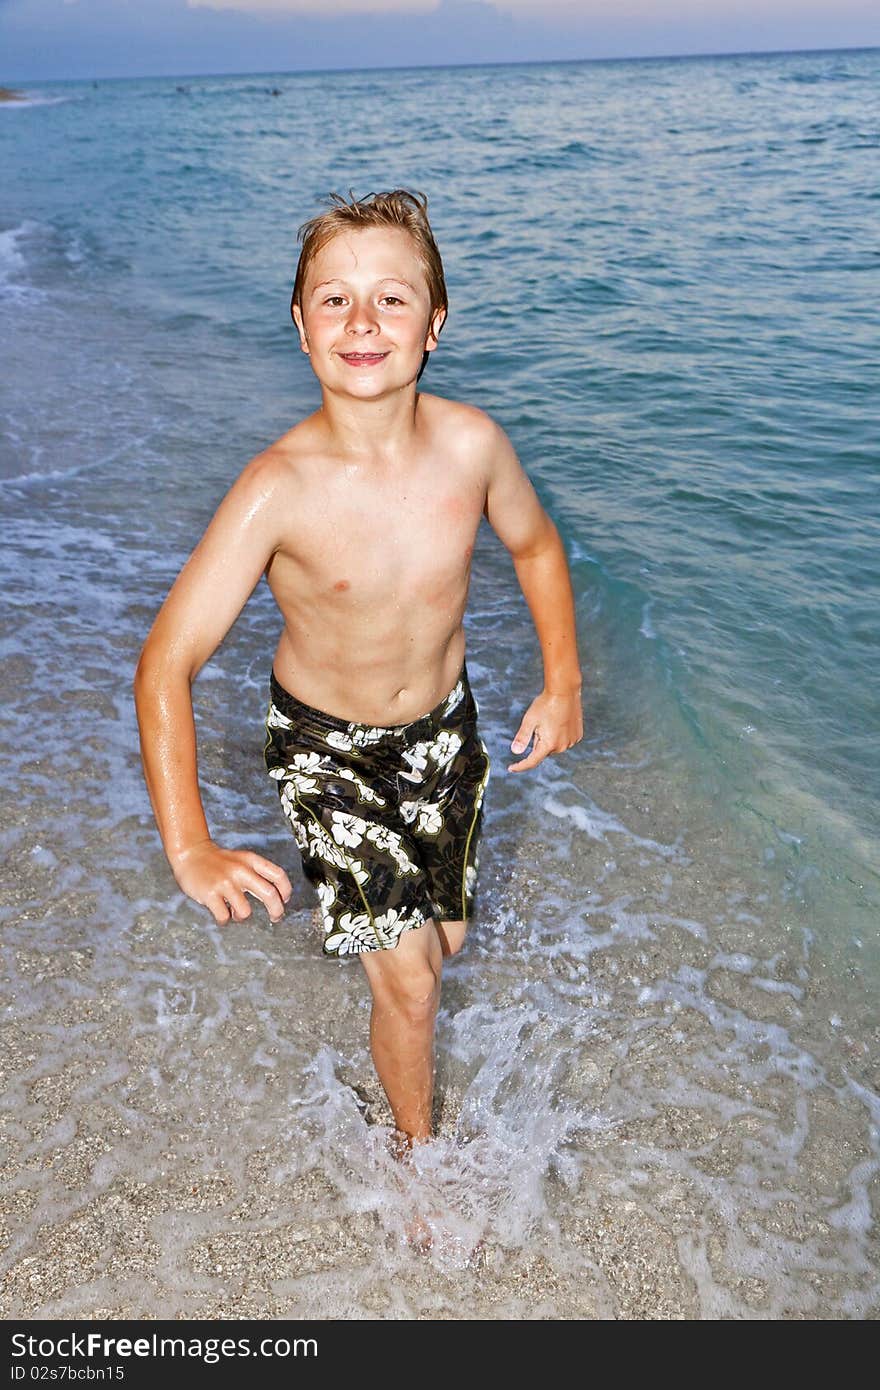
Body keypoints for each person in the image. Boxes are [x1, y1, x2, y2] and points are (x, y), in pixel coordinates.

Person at [133, 188, 583, 1159]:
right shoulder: (277, 487)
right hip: (325, 753)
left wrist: (563, 681)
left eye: (391, 297)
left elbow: (537, 548)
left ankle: (393, 1021)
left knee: (441, 942)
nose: (362, 320)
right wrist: (189, 845)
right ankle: (416, 1159)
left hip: (446, 735)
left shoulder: (472, 447)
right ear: (300, 327)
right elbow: (166, 661)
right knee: (413, 981)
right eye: (333, 300)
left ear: (436, 322)